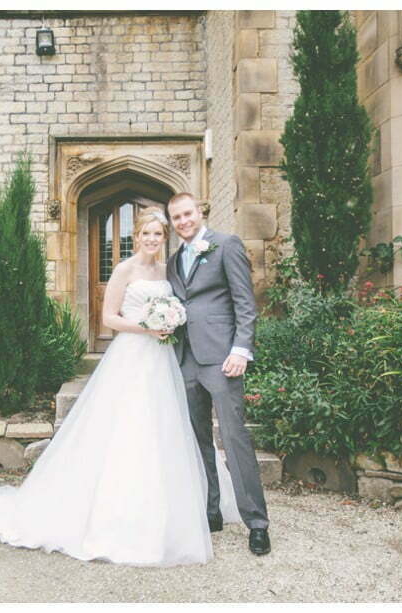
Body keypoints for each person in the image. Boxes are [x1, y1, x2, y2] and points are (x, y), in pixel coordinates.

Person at [0, 206, 242, 566]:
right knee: (126, 427)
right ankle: (117, 515)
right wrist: (147, 327)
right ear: (137, 235)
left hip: (164, 359)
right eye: (145, 234)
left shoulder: (168, 270)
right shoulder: (124, 269)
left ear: (165, 238)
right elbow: (109, 317)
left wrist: (171, 322)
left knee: (166, 429)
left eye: (158, 235)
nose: (151, 239)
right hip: (133, 355)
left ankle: (171, 512)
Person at [165, 192, 270, 556]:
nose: (183, 221)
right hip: (186, 359)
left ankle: (257, 523)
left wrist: (241, 349)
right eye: (176, 217)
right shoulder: (174, 260)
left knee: (234, 437)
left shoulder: (225, 245)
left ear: (200, 212)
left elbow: (245, 301)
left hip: (223, 358)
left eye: (187, 214)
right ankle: (211, 512)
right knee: (198, 441)